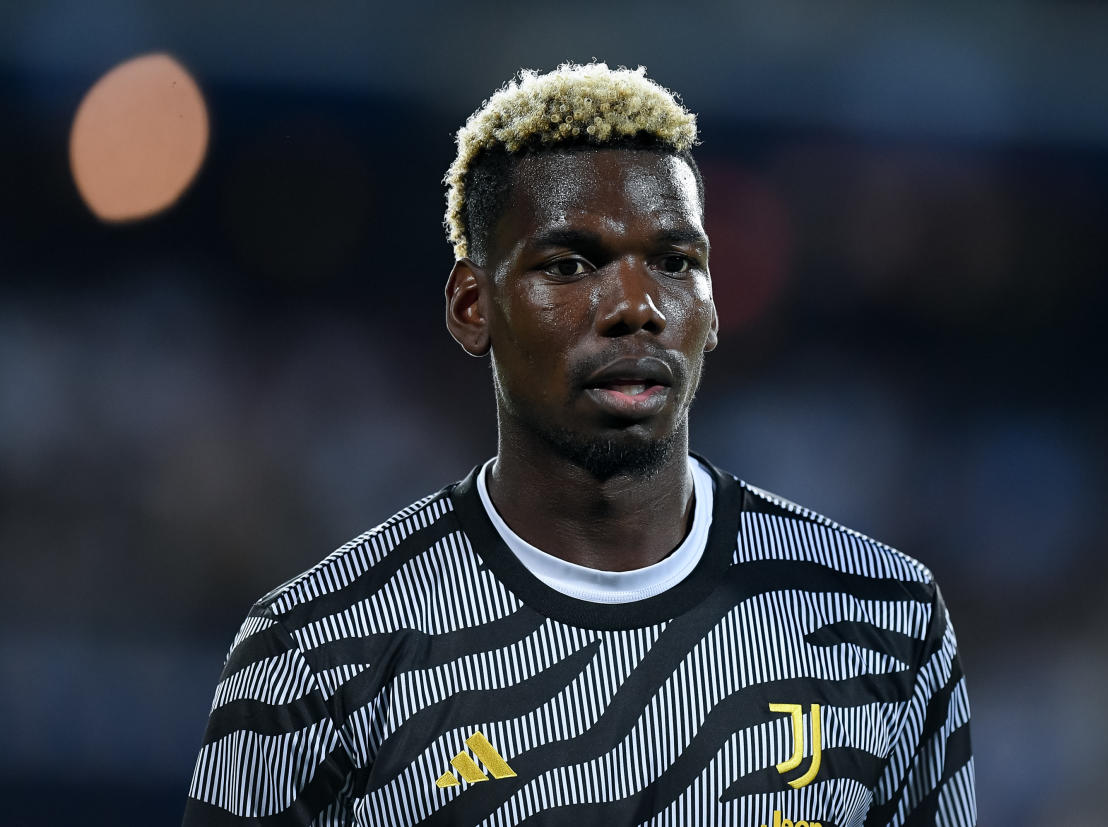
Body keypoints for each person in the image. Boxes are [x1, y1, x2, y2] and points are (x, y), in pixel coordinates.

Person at [183, 62, 975, 827]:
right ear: (471, 304)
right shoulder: (317, 653)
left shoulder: (883, 621)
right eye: (570, 264)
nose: (636, 306)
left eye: (673, 262)